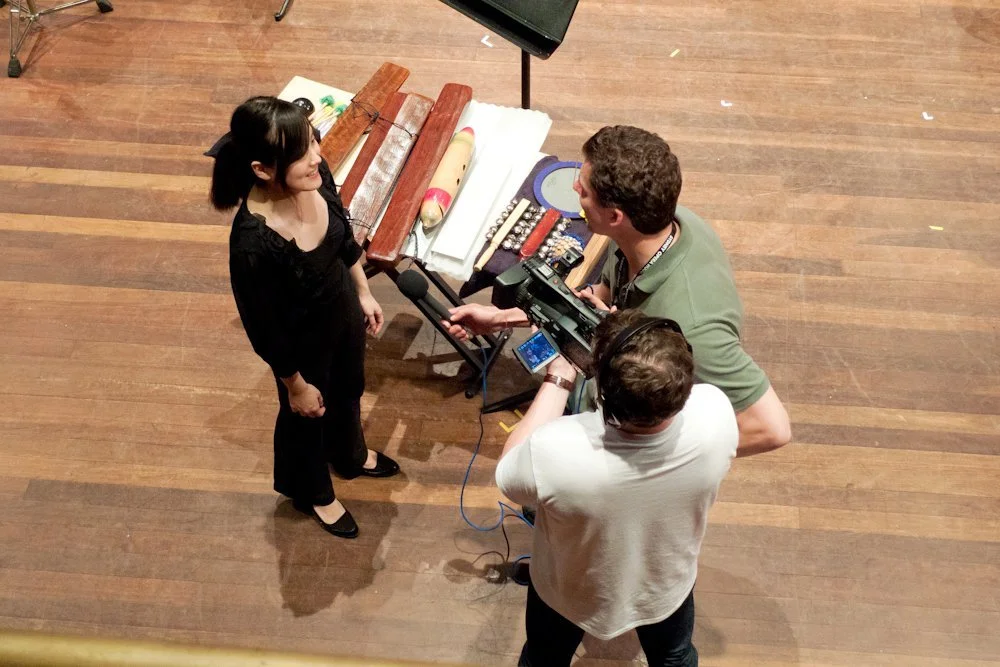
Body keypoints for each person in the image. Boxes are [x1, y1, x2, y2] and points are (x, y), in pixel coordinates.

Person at [445, 125, 790, 456]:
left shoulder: (696, 328)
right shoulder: (648, 229)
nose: (575, 190)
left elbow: (772, 428)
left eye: (583, 190)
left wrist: (655, 459)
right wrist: (502, 318)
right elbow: (603, 294)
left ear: (614, 216)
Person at [496, 309, 737, 666]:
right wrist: (631, 344)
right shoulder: (716, 413)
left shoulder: (554, 450)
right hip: (666, 585)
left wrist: (559, 379)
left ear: (603, 393)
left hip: (567, 593)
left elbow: (507, 473)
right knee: (675, 658)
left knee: (543, 659)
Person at [209, 96, 400, 539]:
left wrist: (363, 291)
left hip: (343, 314)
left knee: (349, 390)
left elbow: (342, 237)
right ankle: (314, 492)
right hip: (301, 347)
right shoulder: (252, 243)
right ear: (262, 169)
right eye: (301, 151)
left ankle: (351, 455)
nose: (317, 156)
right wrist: (295, 385)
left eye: (314, 141)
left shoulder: (316, 175)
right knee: (306, 418)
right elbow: (264, 329)